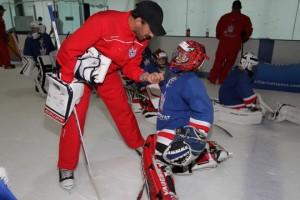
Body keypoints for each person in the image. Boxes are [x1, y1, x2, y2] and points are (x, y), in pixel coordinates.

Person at [54, 1, 166, 191]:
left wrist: (145, 75)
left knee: (122, 109)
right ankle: (66, 166)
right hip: (79, 71)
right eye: (151, 29)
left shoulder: (142, 38)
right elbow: (69, 49)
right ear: (138, 21)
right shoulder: (103, 21)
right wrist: (67, 82)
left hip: (108, 73)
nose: (152, 35)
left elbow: (130, 66)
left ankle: (137, 143)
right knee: (75, 119)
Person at [142, 40, 230, 199]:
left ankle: (164, 193)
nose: (177, 57)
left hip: (176, 130)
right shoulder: (171, 71)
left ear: (193, 61)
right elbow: (161, 79)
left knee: (152, 148)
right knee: (167, 152)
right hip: (167, 126)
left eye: (183, 56)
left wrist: (193, 138)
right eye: (178, 53)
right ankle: (209, 152)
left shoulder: (191, 81)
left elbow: (204, 110)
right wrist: (151, 76)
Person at [208, 0, 253, 84]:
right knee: (228, 65)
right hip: (234, 47)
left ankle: (212, 79)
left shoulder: (224, 17)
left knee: (218, 63)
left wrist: (223, 37)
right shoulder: (245, 19)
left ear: (232, 7)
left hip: (223, 45)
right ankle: (222, 80)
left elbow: (218, 32)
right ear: (240, 8)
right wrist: (243, 37)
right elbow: (248, 32)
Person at [0, 5, 15, 69]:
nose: (3, 12)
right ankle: (7, 64)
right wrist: (4, 35)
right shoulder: (0, 17)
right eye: (3, 10)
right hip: (1, 37)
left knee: (0, 50)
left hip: (1, 36)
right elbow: (1, 28)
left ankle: (1, 62)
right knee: (4, 50)